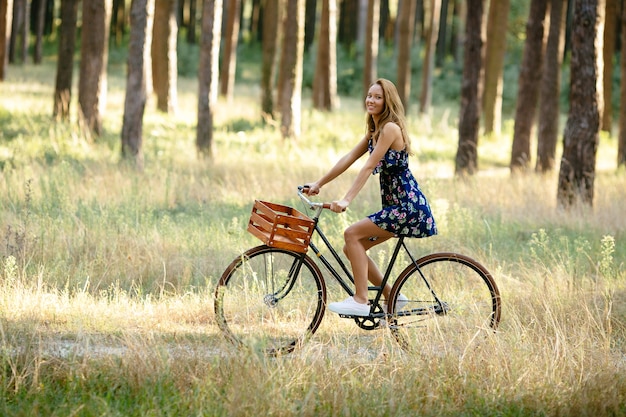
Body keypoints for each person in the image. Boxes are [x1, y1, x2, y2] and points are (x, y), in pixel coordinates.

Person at [304, 78, 437, 316]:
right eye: (369, 95)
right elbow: (348, 158)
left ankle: (361, 299)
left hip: (408, 207)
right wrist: (318, 183)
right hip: (398, 207)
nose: (371, 100)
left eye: (378, 97)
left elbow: (368, 166)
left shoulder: (390, 129)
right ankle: (392, 297)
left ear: (388, 101)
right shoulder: (374, 132)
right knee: (352, 247)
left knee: (351, 234)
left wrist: (346, 199)